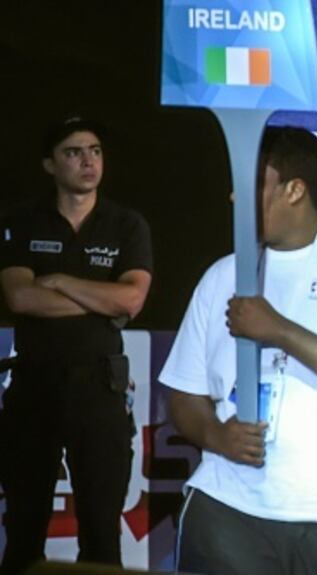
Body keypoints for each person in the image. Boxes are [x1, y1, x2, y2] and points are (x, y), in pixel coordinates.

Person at [159, 126, 317, 575]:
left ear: (294, 190)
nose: (233, 198)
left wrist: (279, 329)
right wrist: (216, 435)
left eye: (251, 184)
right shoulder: (222, 276)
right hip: (231, 509)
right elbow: (184, 391)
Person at [0, 116, 153, 573]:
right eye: (73, 152)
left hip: (100, 389)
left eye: (95, 151)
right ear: (49, 164)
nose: (88, 161)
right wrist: (101, 298)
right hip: (34, 387)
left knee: (102, 532)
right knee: (24, 529)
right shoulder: (20, 220)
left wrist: (63, 280)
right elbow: (21, 296)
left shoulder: (126, 224)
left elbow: (132, 298)